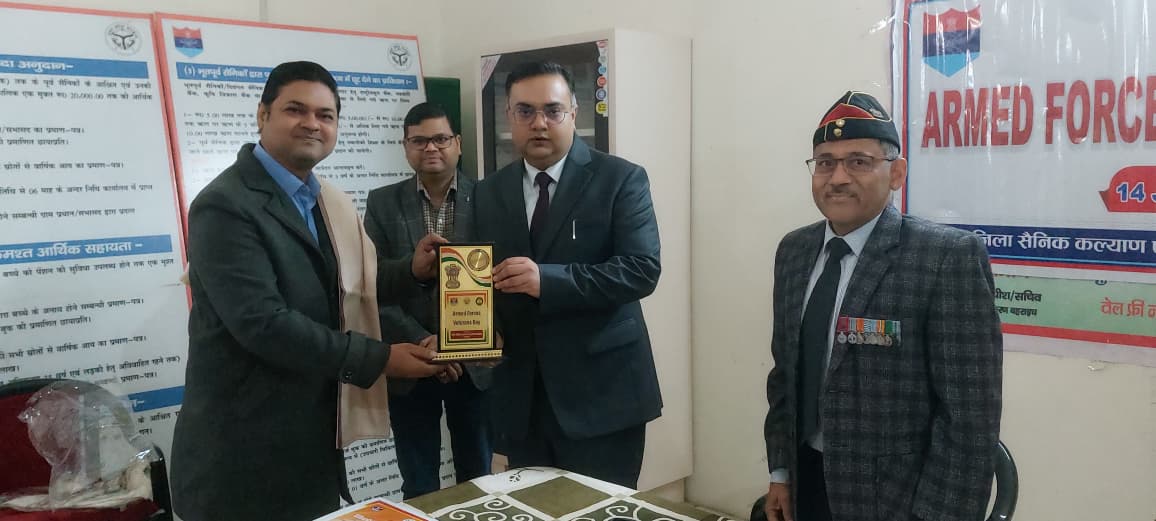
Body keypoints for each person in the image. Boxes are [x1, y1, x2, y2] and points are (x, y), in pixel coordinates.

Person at [171, 61, 442, 521]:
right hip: (241, 456)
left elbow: (344, 285)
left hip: (308, 442)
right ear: (263, 115)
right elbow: (264, 324)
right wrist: (380, 359)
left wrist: (411, 271)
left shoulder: (321, 200)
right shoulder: (225, 205)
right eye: (296, 110)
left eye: (325, 114)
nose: (312, 124)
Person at [761, 91, 1003, 521]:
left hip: (898, 499)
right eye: (825, 163)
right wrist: (780, 472)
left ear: (897, 173)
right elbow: (785, 377)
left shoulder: (944, 257)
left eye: (858, 161)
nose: (837, 177)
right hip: (806, 480)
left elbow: (969, 417)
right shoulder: (794, 252)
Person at [472, 61, 662, 489]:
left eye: (552, 110)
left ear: (574, 113)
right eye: (525, 111)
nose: (539, 123)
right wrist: (479, 330)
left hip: (603, 396)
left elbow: (641, 269)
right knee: (533, 509)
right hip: (523, 399)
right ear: (509, 117)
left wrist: (548, 281)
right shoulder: (488, 191)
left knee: (600, 512)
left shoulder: (620, 179)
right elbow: (483, 278)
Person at [363, 102, 492, 499]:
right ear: (405, 146)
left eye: (440, 138)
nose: (430, 148)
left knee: (478, 477)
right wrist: (424, 341)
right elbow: (373, 285)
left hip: (475, 363)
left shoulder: (489, 197)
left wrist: (457, 344)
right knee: (418, 482)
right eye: (419, 141)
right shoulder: (382, 203)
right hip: (411, 360)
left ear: (458, 143)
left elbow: (500, 279)